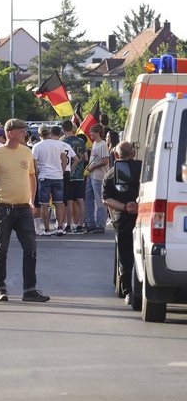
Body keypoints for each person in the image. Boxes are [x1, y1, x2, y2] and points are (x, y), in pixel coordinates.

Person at [0, 119, 49, 302]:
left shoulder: (27, 152)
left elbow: (32, 177)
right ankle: (0, 288)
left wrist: (31, 200)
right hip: (3, 208)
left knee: (31, 248)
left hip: (23, 208)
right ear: (10, 133)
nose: (25, 134)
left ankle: (29, 289)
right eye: (22, 131)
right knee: (1, 249)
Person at [102, 142, 141, 303]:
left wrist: (125, 206)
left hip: (122, 219)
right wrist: (138, 205)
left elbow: (106, 200)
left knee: (125, 256)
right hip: (144, 216)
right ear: (134, 153)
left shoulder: (110, 175)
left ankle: (128, 292)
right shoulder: (145, 169)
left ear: (116, 155)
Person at [30, 125, 70, 236]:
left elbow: (35, 164)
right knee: (59, 203)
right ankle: (60, 227)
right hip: (58, 176)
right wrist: (61, 172)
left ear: (39, 135)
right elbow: (64, 160)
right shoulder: (59, 144)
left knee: (44, 204)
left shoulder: (37, 146)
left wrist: (38, 175)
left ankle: (47, 229)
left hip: (44, 176)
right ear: (49, 133)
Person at [62, 121, 87, 233]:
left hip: (67, 174)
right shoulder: (81, 141)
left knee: (69, 200)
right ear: (72, 128)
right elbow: (86, 158)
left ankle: (68, 224)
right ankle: (80, 224)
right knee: (80, 200)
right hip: (80, 174)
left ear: (63, 129)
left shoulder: (62, 141)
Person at [84, 124, 110, 233]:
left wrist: (93, 167)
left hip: (99, 176)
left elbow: (105, 161)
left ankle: (100, 225)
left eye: (92, 132)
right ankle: (91, 223)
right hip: (91, 175)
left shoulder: (103, 145)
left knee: (100, 201)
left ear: (98, 132)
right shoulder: (95, 143)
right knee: (88, 199)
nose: (90, 134)